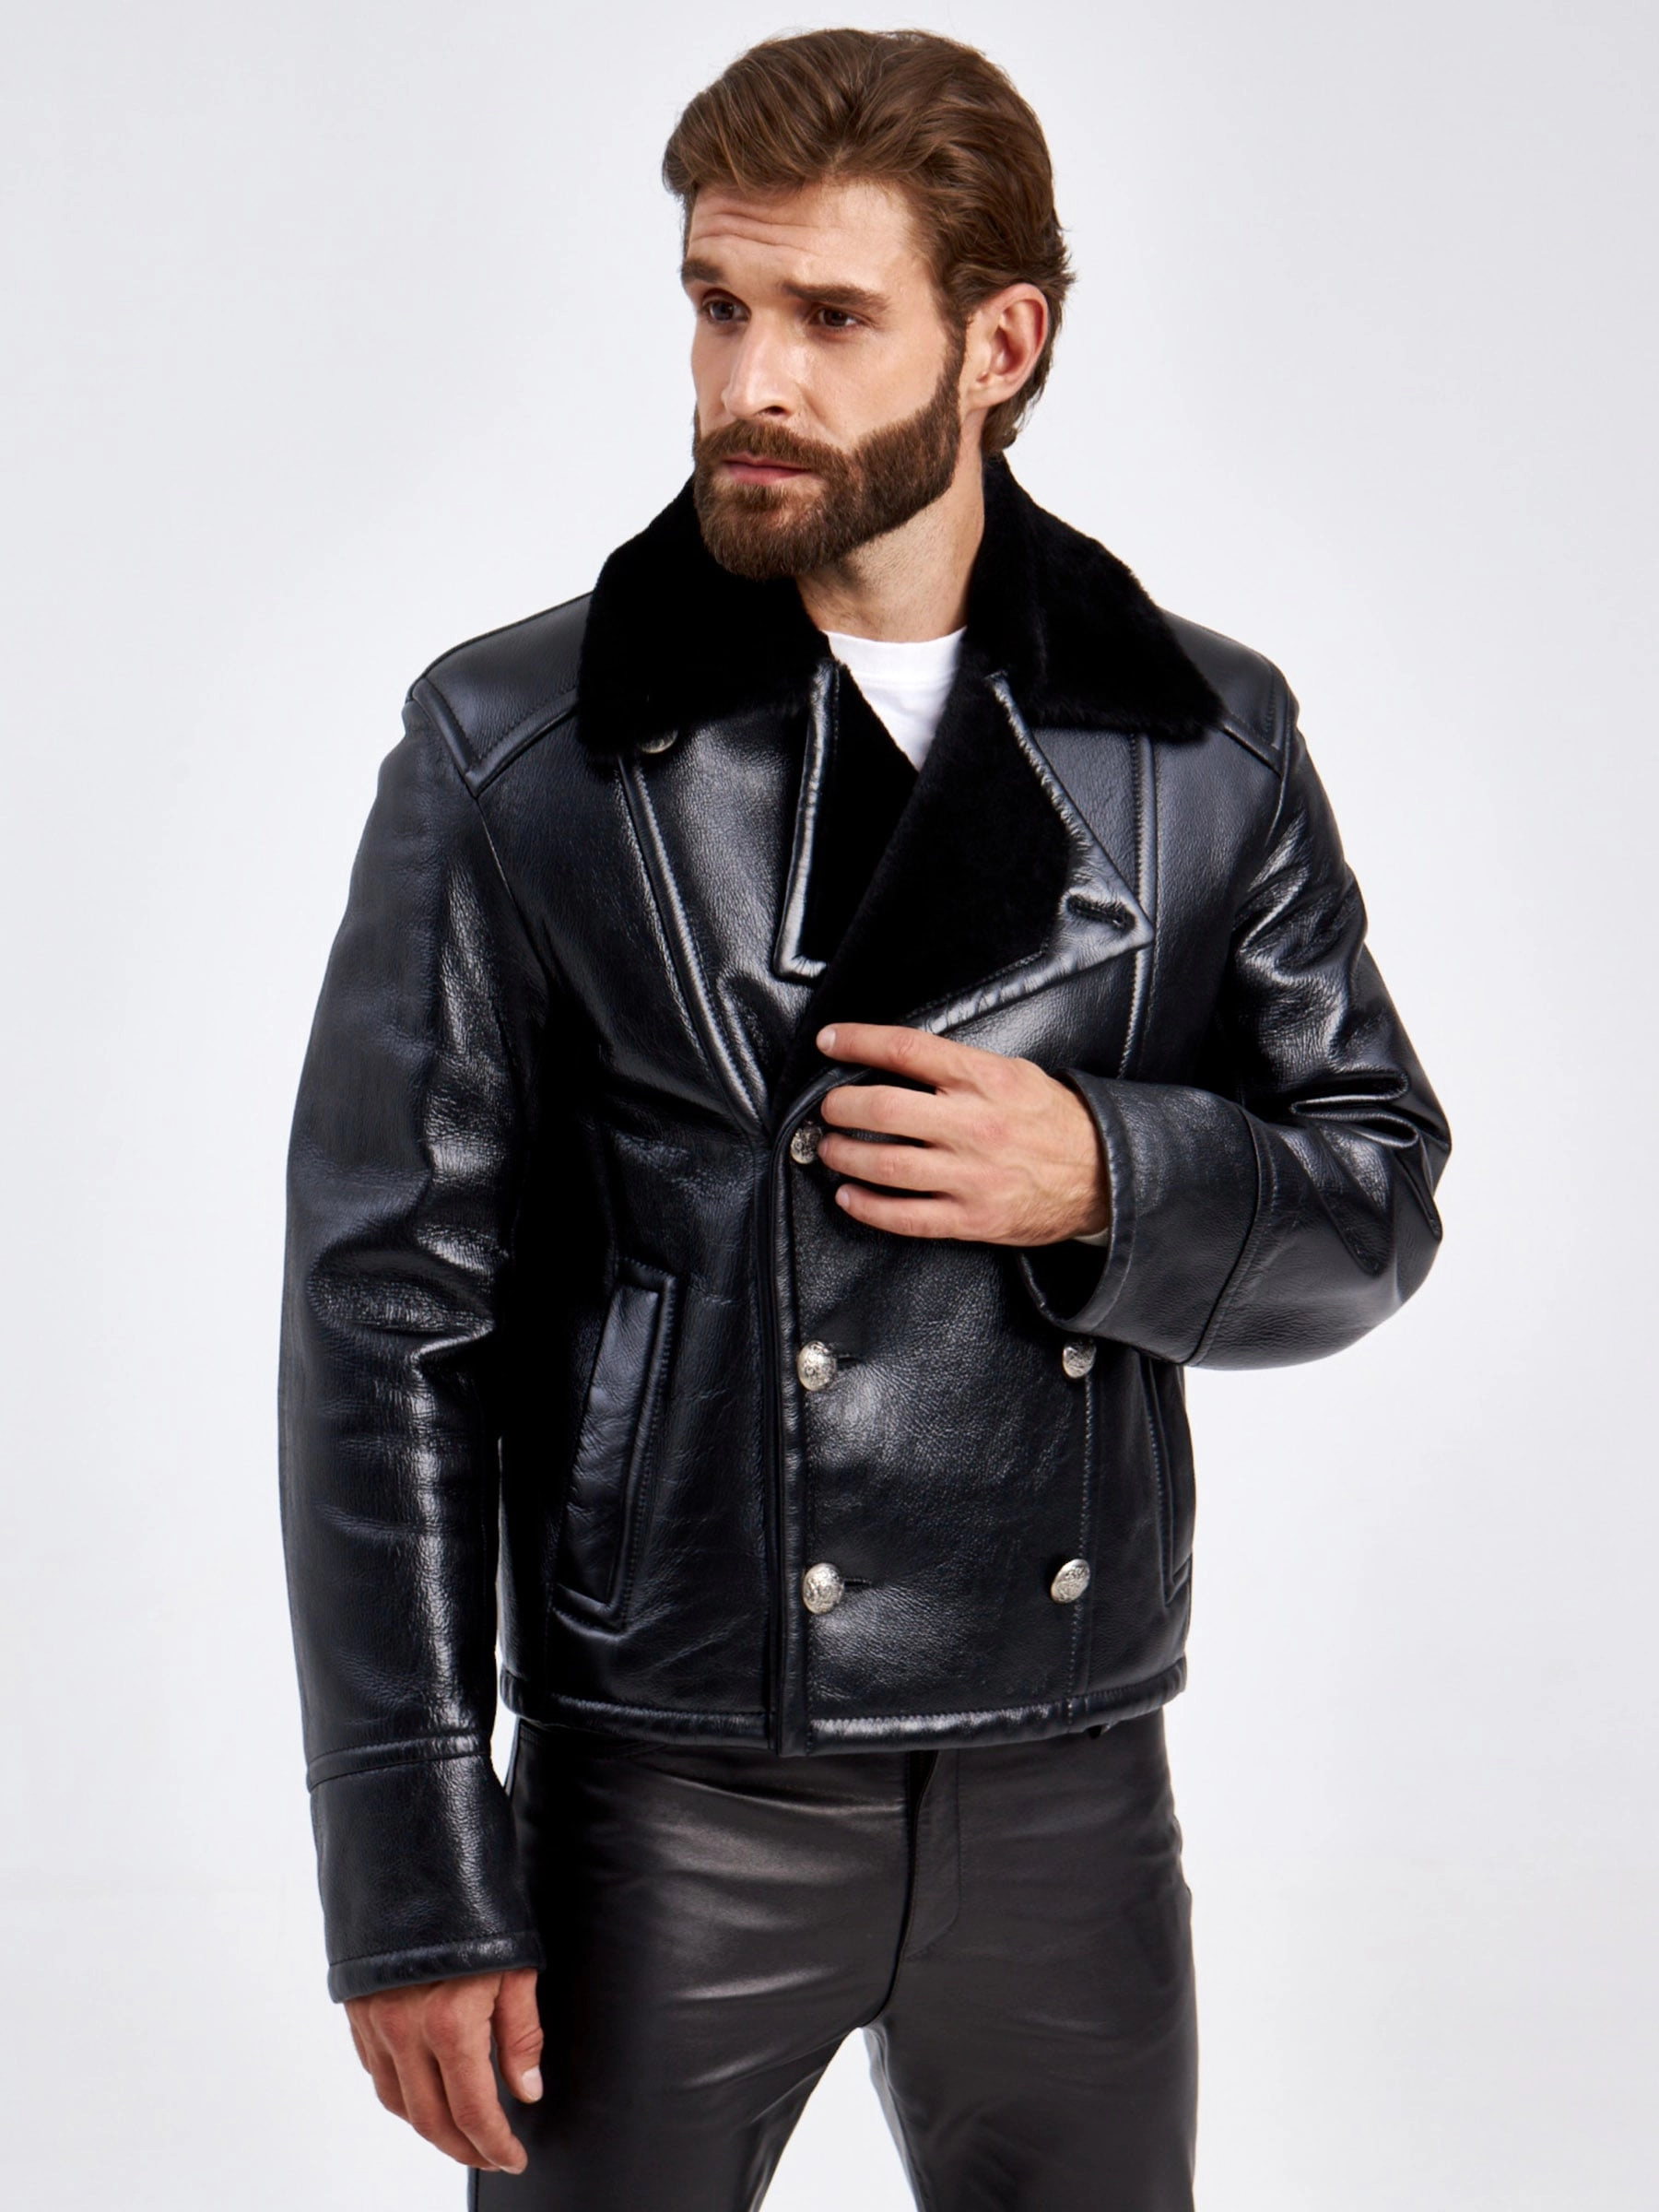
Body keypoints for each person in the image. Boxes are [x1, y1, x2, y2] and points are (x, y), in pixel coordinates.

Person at [278, 28, 1452, 2211]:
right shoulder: (520, 743)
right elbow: (385, 1333)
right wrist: (415, 1871)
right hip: (666, 1796)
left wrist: (1107, 1173)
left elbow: (1378, 1187)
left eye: (830, 318)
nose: (751, 382)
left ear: (999, 346)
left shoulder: (1204, 740)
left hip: (1071, 1777)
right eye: (719, 305)